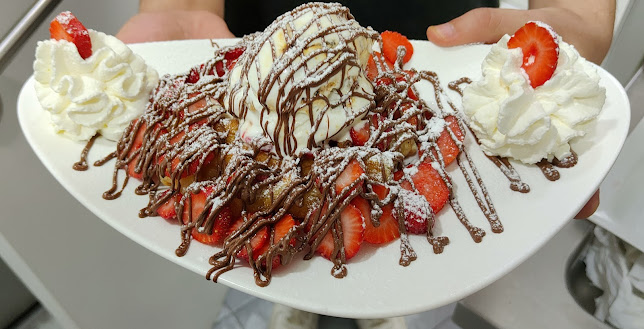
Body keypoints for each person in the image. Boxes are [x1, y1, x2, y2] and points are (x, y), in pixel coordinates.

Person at [116, 1, 614, 328]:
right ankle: (295, 296)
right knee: (278, 212)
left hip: (434, 42)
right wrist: (179, 7)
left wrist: (573, 15)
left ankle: (391, 307)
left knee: (405, 268)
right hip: (257, 46)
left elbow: (576, 10)